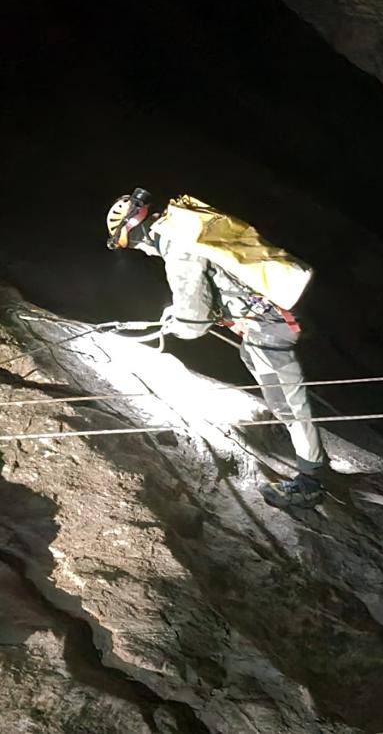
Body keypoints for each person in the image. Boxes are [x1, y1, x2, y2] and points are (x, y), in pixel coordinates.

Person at [106, 188, 327, 508]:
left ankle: (311, 482)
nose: (143, 252)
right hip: (273, 308)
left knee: (286, 400)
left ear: (135, 232)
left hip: (272, 320)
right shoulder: (181, 226)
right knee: (260, 365)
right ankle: (312, 467)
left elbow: (194, 321)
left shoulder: (176, 247)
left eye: (135, 245)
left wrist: (176, 324)